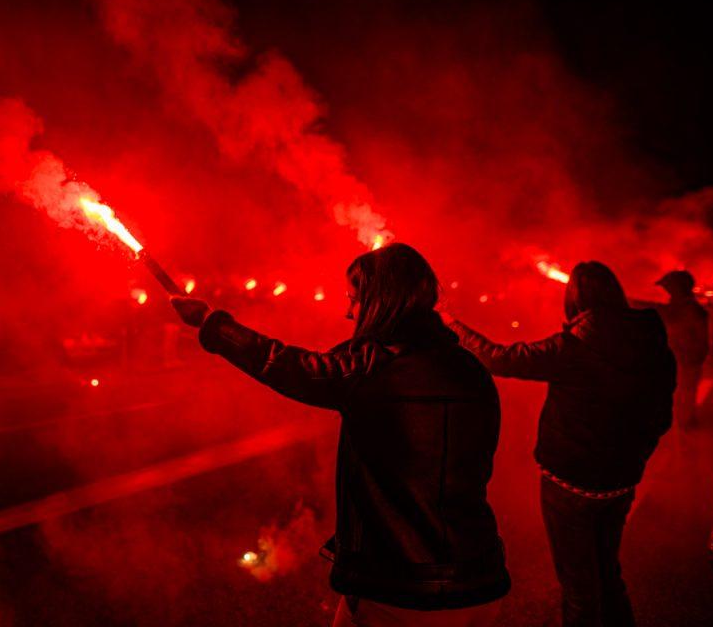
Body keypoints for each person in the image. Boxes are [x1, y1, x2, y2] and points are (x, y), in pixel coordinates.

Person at [171, 243, 509, 626]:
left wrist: (212, 325)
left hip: (403, 591)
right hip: (481, 579)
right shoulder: (472, 370)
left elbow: (287, 365)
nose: (348, 312)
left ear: (382, 302)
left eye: (354, 300)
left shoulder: (372, 368)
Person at [446, 261, 676, 627]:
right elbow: (662, 415)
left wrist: (452, 324)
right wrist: (635, 456)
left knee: (579, 587)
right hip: (622, 482)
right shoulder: (651, 341)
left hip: (569, 484)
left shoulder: (573, 347)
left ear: (575, 299)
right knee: (608, 571)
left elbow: (498, 359)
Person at [639, 271, 709, 429]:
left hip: (685, 362)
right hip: (681, 361)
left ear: (678, 288)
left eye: (669, 287)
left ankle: (685, 430)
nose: (667, 291)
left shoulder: (689, 309)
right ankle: (684, 425)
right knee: (680, 396)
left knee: (683, 396)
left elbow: (668, 316)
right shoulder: (682, 307)